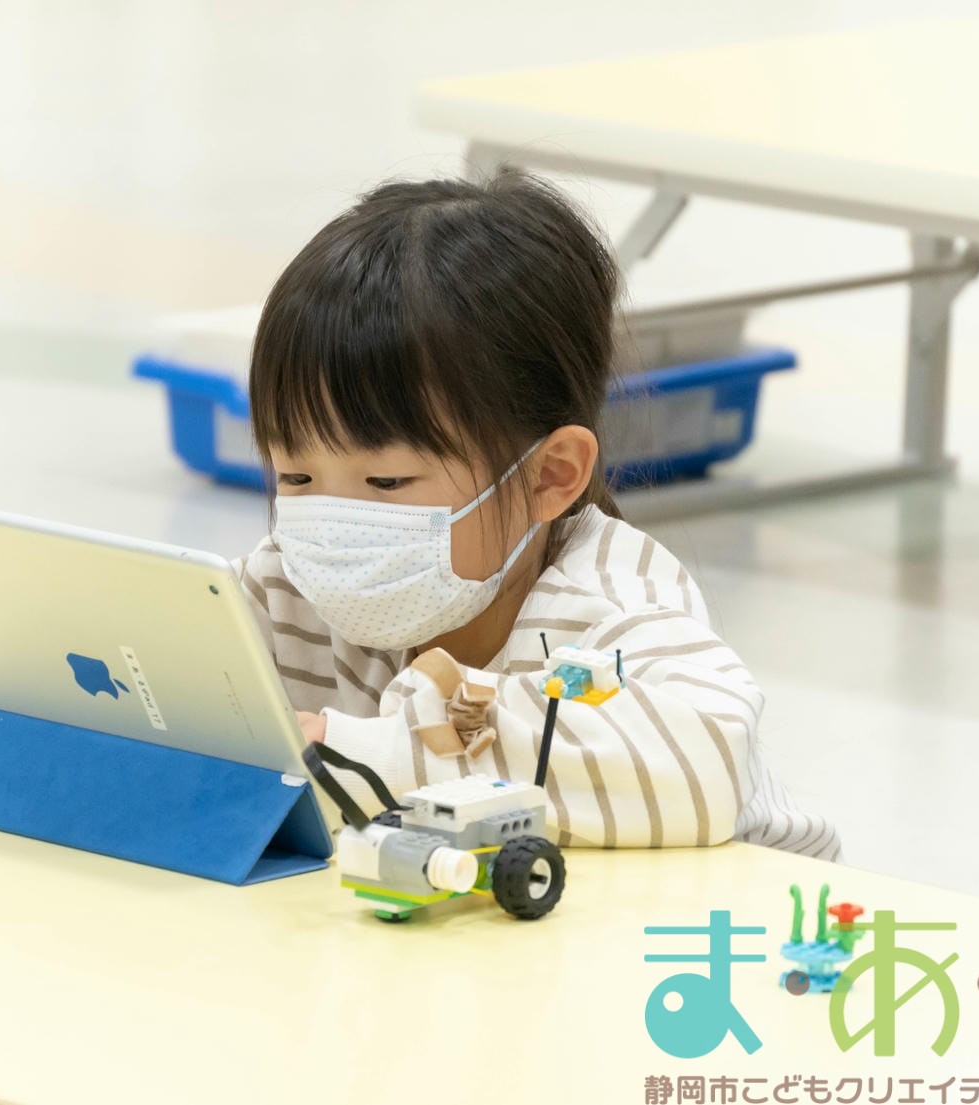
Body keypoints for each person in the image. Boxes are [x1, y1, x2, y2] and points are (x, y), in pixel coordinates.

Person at [234, 169, 838, 860]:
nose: (336, 522)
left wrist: (365, 753)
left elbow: (705, 762)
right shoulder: (287, 588)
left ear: (549, 476)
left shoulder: (604, 606)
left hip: (747, 916)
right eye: (296, 475)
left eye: (387, 479)